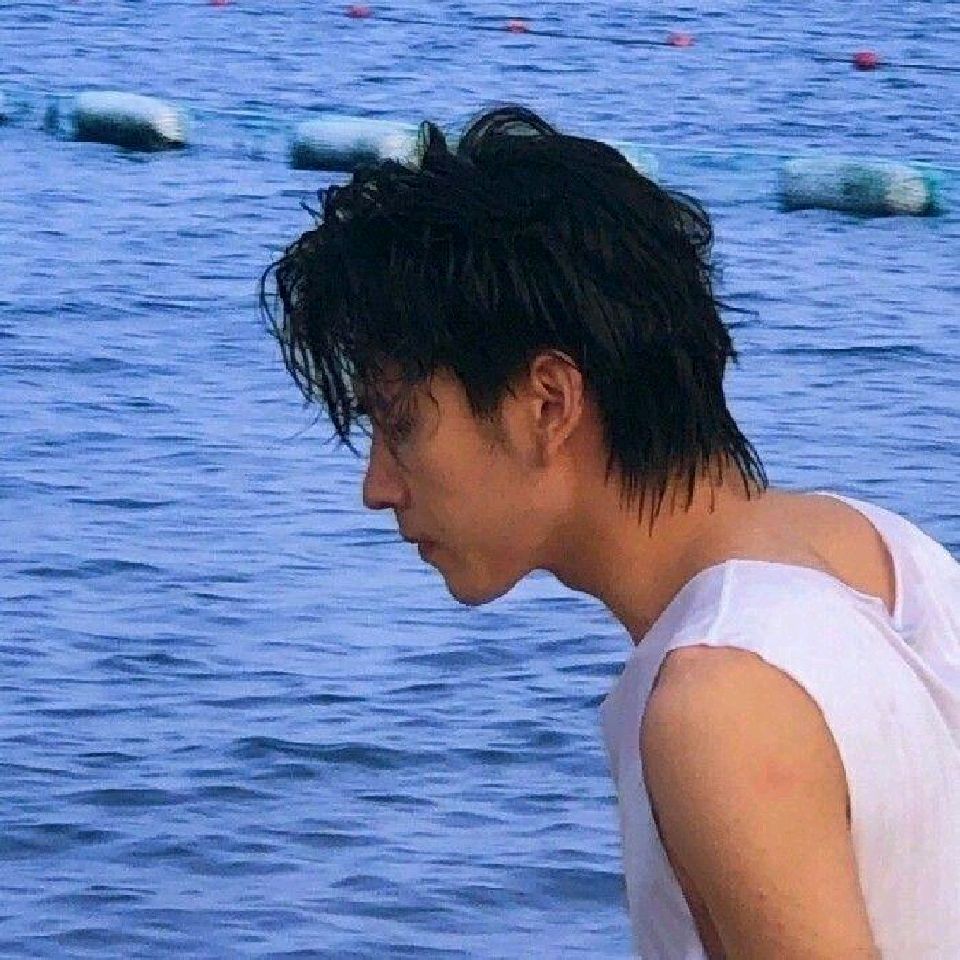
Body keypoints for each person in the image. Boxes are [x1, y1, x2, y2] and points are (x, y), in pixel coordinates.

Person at [260, 105, 960, 959]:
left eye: (400, 424)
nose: (378, 488)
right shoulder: (890, 554)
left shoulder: (719, 703)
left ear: (549, 403)